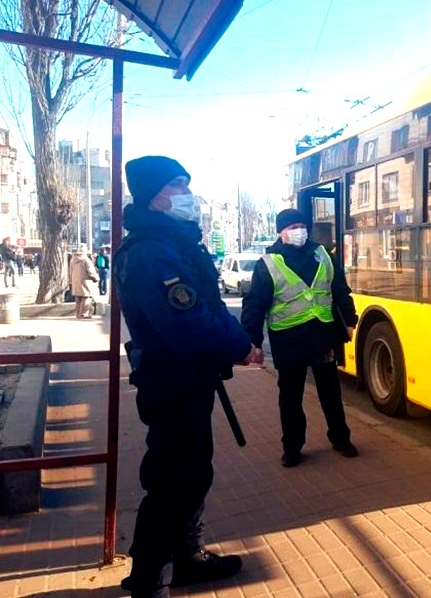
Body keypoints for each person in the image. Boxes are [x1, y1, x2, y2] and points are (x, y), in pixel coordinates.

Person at [114, 156, 252, 598]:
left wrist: (235, 341)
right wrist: (241, 347)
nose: (186, 194)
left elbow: (208, 308)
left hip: (189, 381)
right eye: (177, 185)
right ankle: (147, 580)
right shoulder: (152, 251)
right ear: (154, 196)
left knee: (193, 473)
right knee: (171, 483)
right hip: (171, 383)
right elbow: (188, 321)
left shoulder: (172, 242)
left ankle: (188, 558)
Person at [241, 208, 359, 468]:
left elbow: (339, 288)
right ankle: (292, 447)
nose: (299, 231)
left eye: (301, 225)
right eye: (292, 226)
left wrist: (350, 320)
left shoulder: (322, 255)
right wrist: (252, 341)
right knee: (290, 397)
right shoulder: (269, 263)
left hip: (322, 334)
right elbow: (254, 304)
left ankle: (340, 438)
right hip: (289, 338)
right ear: (280, 232)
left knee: (331, 391)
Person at [70, 243, 98, 319]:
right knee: (87, 296)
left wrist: (71, 280)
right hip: (85, 280)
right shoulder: (86, 260)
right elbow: (91, 272)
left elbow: (70, 270)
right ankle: (83, 314)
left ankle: (78, 314)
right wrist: (96, 278)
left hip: (75, 280)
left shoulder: (73, 259)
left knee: (78, 297)